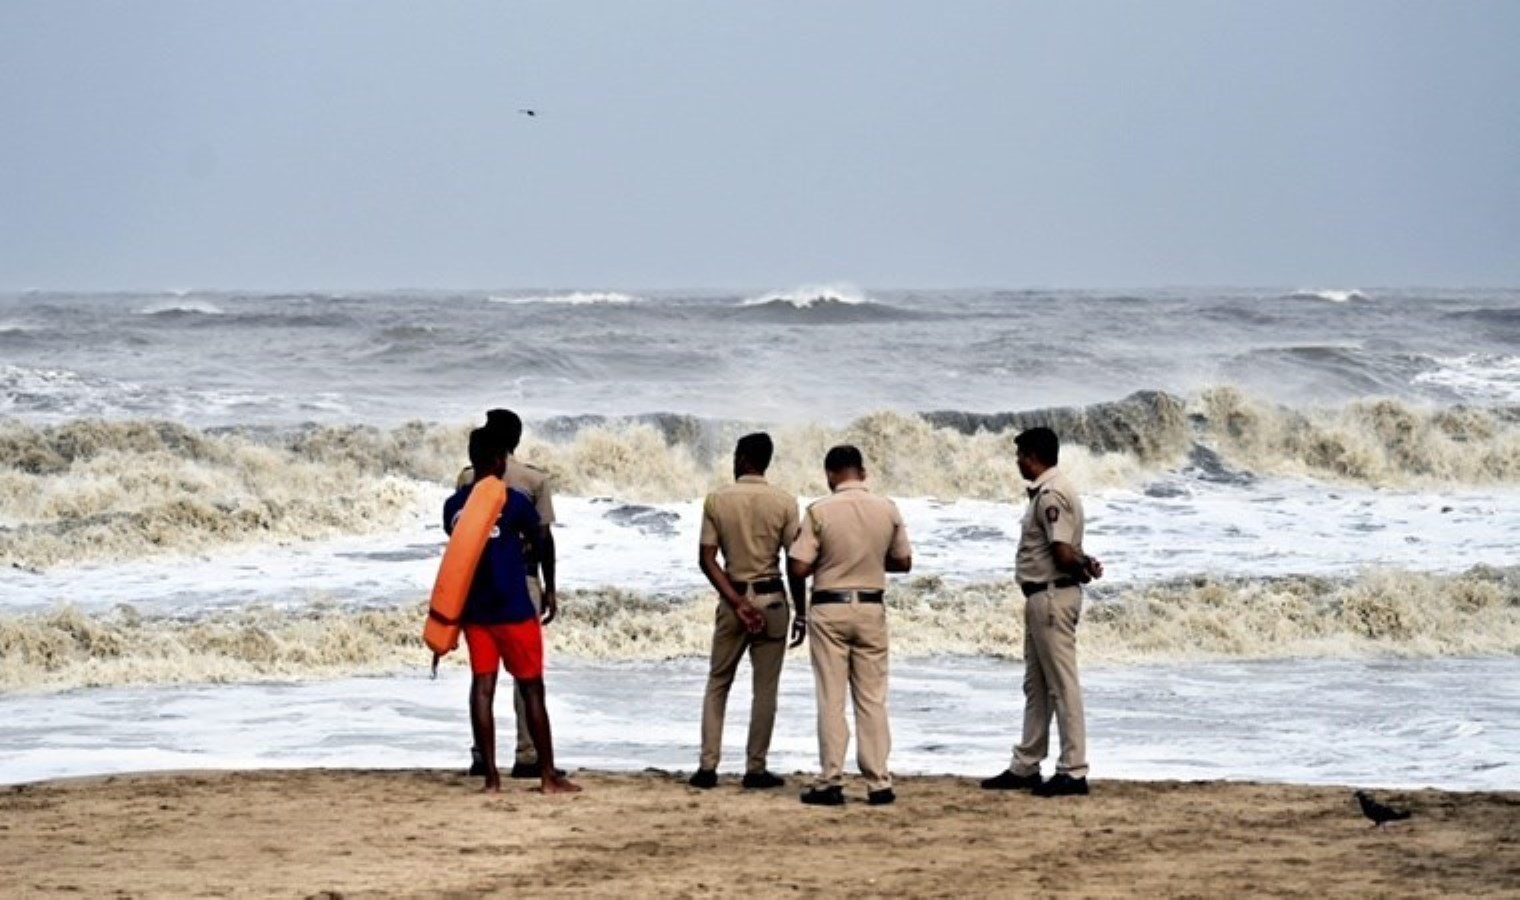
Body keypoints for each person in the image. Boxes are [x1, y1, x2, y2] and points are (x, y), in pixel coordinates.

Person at [445, 427, 579, 795]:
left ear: (472, 461)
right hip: (515, 608)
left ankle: (490, 778)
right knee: (532, 687)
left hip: (475, 612)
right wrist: (548, 586)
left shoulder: (453, 506)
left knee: (482, 687)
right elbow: (540, 542)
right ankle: (548, 776)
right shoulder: (515, 501)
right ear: (502, 460)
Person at [981, 427, 1102, 798]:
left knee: (1062, 686)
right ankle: (1027, 763)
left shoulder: (1051, 494)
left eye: (1020, 456)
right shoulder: (1052, 490)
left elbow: (1062, 551)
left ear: (1033, 456)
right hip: (1043, 595)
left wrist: (1080, 562)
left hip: (1050, 597)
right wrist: (1084, 564)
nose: (1017, 462)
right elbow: (1067, 554)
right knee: (1037, 686)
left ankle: (1073, 769)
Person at [787, 445, 912, 807]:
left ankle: (831, 780)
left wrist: (829, 560)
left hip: (830, 607)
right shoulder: (887, 508)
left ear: (830, 474)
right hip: (871, 605)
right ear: (863, 472)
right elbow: (903, 561)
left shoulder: (820, 511)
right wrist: (869, 558)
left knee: (832, 698)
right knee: (872, 698)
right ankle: (879, 782)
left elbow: (797, 568)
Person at [690, 432, 806, 790]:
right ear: (767, 461)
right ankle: (755, 767)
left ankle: (708, 767)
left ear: (741, 458)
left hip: (733, 598)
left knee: (718, 682)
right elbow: (796, 562)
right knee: (765, 689)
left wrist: (738, 602)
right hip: (772, 600)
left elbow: (707, 559)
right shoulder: (785, 502)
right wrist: (801, 611)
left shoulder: (717, 500)